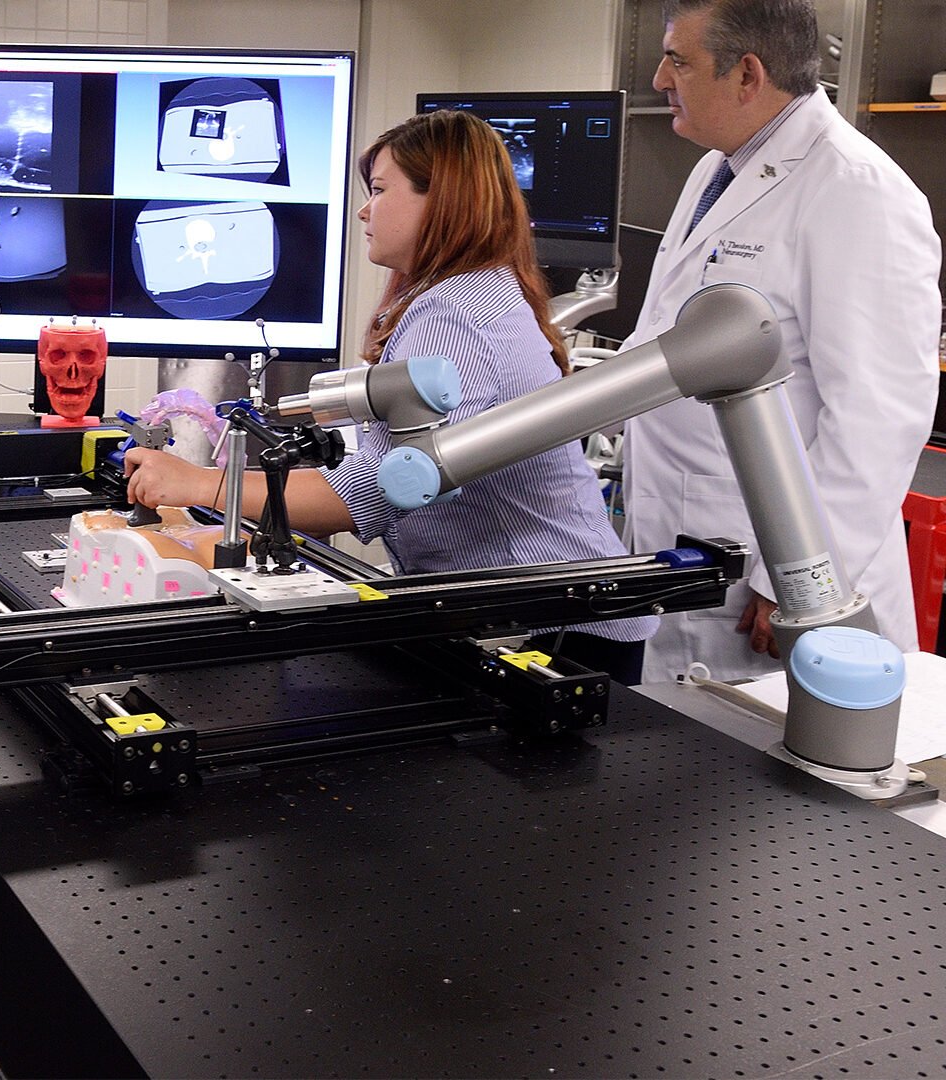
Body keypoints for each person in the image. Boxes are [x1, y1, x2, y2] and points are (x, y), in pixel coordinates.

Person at [125, 110, 657, 683]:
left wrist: (202, 485)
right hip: (536, 609)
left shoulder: (458, 314)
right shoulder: (460, 296)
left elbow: (387, 488)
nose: (363, 209)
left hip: (557, 626)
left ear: (442, 201)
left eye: (379, 191)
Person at [620, 0, 941, 683]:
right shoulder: (720, 169)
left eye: (677, 60)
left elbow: (879, 417)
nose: (658, 78)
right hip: (688, 539)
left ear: (747, 75)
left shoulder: (856, 190)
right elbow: (665, 339)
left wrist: (797, 577)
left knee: (771, 779)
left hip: (769, 575)